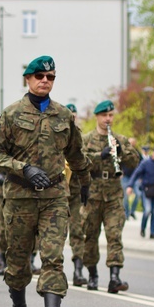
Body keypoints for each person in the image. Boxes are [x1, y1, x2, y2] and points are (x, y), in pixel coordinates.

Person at [0, 55, 90, 307]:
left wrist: (84, 181)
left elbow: (76, 153)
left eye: (51, 77)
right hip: (20, 196)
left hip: (55, 195)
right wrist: (24, 169)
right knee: (18, 258)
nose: (45, 81)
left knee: (53, 256)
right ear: (28, 79)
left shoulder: (63, 116)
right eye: (40, 76)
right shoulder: (10, 115)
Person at [82, 100, 140, 293]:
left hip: (114, 195)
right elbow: (79, 162)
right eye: (104, 116)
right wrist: (101, 155)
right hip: (93, 194)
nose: (108, 119)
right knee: (90, 236)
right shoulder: (86, 139)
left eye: (111, 115)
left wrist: (122, 152)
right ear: (97, 117)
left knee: (114, 235)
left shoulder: (119, 139)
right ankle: (92, 275)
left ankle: (114, 277)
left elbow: (135, 162)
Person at [126, 145, 154, 240]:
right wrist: (130, 185)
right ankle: (143, 228)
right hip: (147, 190)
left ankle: (152, 232)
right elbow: (136, 174)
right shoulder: (145, 163)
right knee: (147, 211)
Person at [65, 102, 88, 286]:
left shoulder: (80, 136)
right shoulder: (57, 133)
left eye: (74, 114)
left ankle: (78, 270)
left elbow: (84, 161)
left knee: (77, 231)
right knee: (51, 233)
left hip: (74, 192)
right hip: (55, 192)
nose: (72, 117)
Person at [121, 137, 141, 220]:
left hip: (135, 178)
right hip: (125, 177)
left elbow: (141, 165)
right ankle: (126, 213)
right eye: (130, 142)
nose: (131, 144)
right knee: (125, 197)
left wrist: (140, 176)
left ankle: (132, 211)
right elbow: (118, 161)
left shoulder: (137, 153)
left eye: (133, 142)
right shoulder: (123, 152)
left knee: (138, 194)